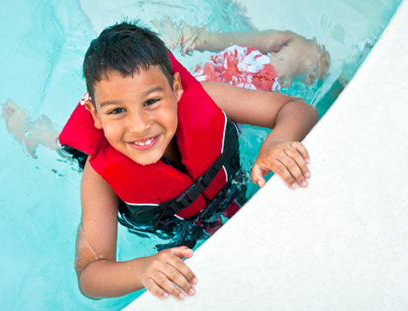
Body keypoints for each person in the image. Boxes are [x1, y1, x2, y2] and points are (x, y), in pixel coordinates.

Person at [60, 21, 318, 301]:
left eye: (150, 102)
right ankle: (38, 132)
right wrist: (142, 269)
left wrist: (276, 142)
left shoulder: (208, 96)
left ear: (176, 88)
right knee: (60, 146)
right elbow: (90, 275)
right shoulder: (100, 177)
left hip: (212, 86)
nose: (139, 126)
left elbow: (298, 109)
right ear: (95, 116)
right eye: (117, 111)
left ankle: (203, 38)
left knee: (307, 53)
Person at [151, 17, 330, 88]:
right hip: (228, 89)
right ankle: (198, 39)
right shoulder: (296, 47)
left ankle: (198, 38)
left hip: (205, 83)